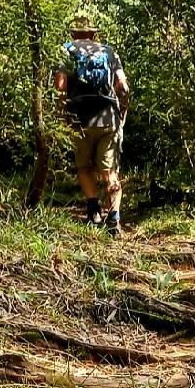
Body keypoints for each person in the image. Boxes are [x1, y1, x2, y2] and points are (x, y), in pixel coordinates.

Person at [54, 15, 131, 237]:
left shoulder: (66, 50)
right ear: (93, 34)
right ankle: (114, 220)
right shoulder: (109, 52)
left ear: (73, 34)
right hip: (108, 117)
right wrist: (120, 109)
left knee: (84, 166)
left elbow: (60, 86)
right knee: (110, 171)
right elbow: (122, 86)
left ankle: (94, 210)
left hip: (79, 119)